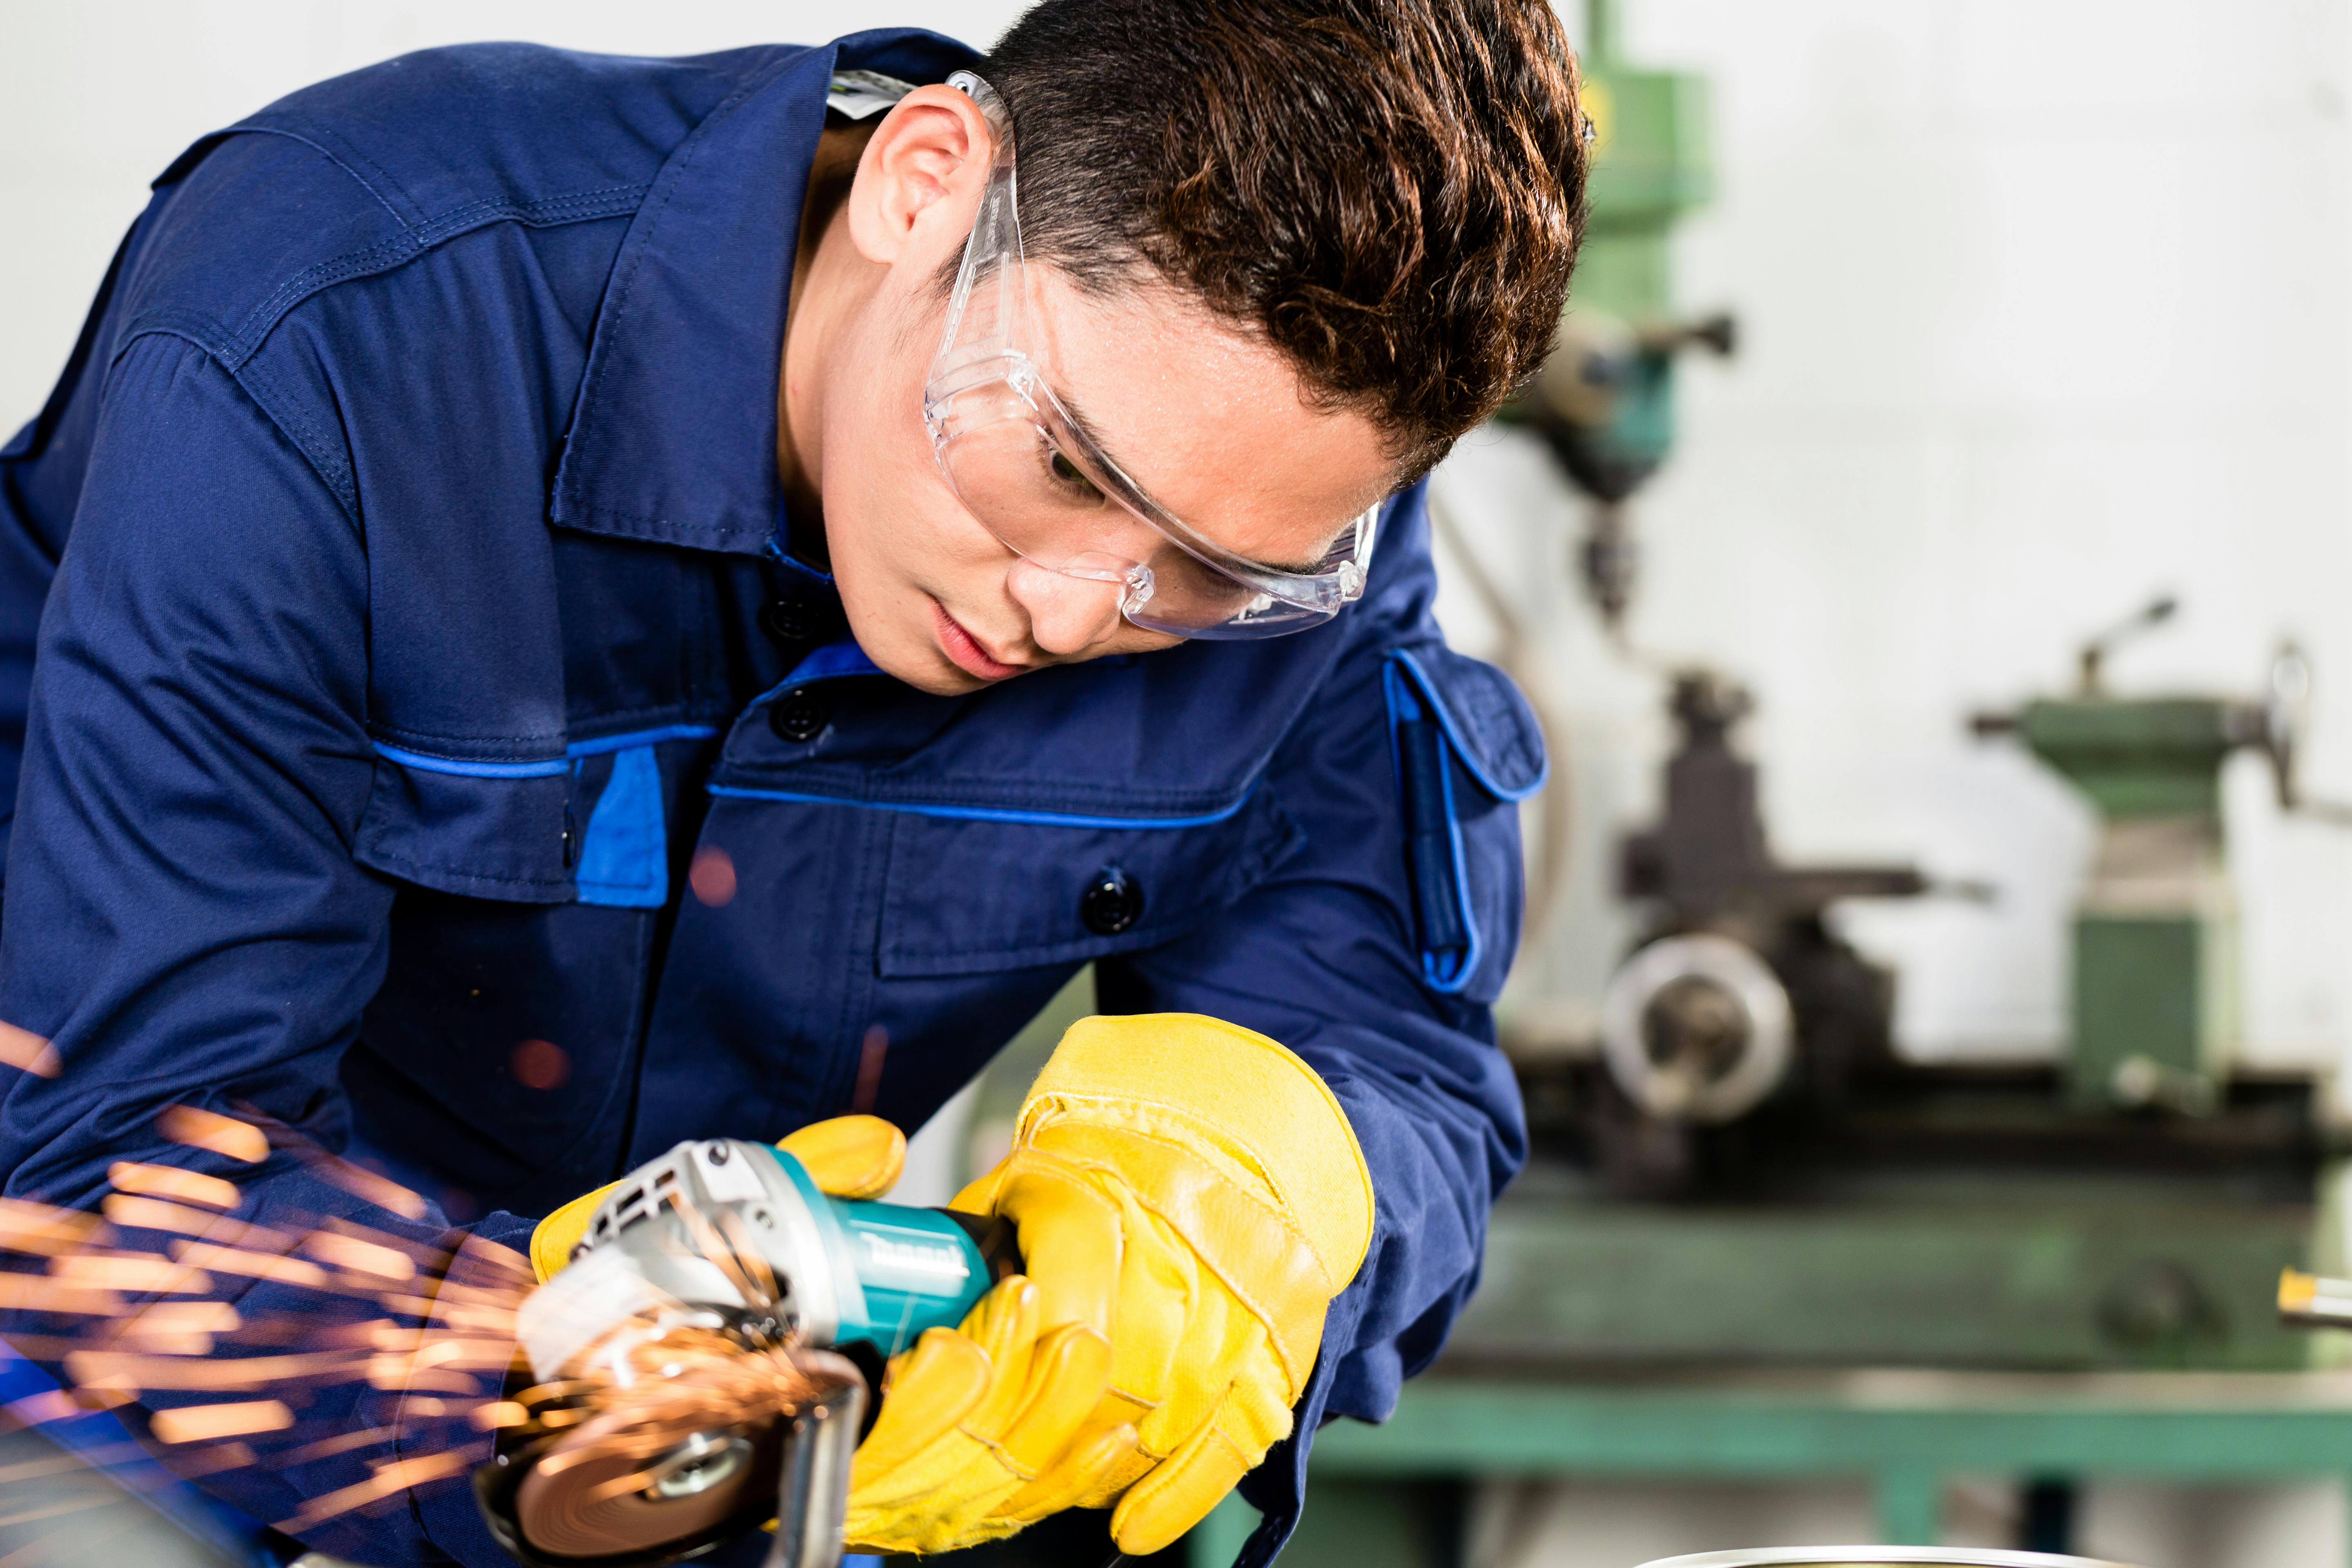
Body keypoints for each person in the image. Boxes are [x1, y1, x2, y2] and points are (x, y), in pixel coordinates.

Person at [0, 2, 1588, 1564]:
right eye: (1068, 472)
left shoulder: (1275, 495)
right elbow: (127, 1174)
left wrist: (1269, 1195)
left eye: (1214, 569)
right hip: (123, 1422)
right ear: (923, 183)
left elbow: (1383, 1051)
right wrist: (549, 1380)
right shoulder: (345, 315)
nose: (1075, 607)